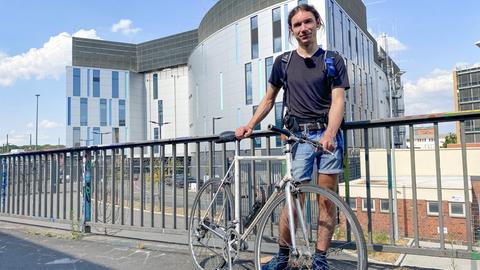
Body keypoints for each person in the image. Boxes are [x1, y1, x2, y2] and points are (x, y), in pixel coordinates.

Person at [235, 4, 349, 270]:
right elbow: (268, 99)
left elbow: (338, 101)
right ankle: (283, 256)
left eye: (307, 22)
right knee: (293, 200)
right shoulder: (283, 62)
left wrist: (330, 133)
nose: (303, 29)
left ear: (317, 22)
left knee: (326, 200)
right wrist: (250, 125)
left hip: (327, 138)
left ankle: (319, 258)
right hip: (298, 138)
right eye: (297, 25)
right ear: (291, 30)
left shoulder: (333, 60)